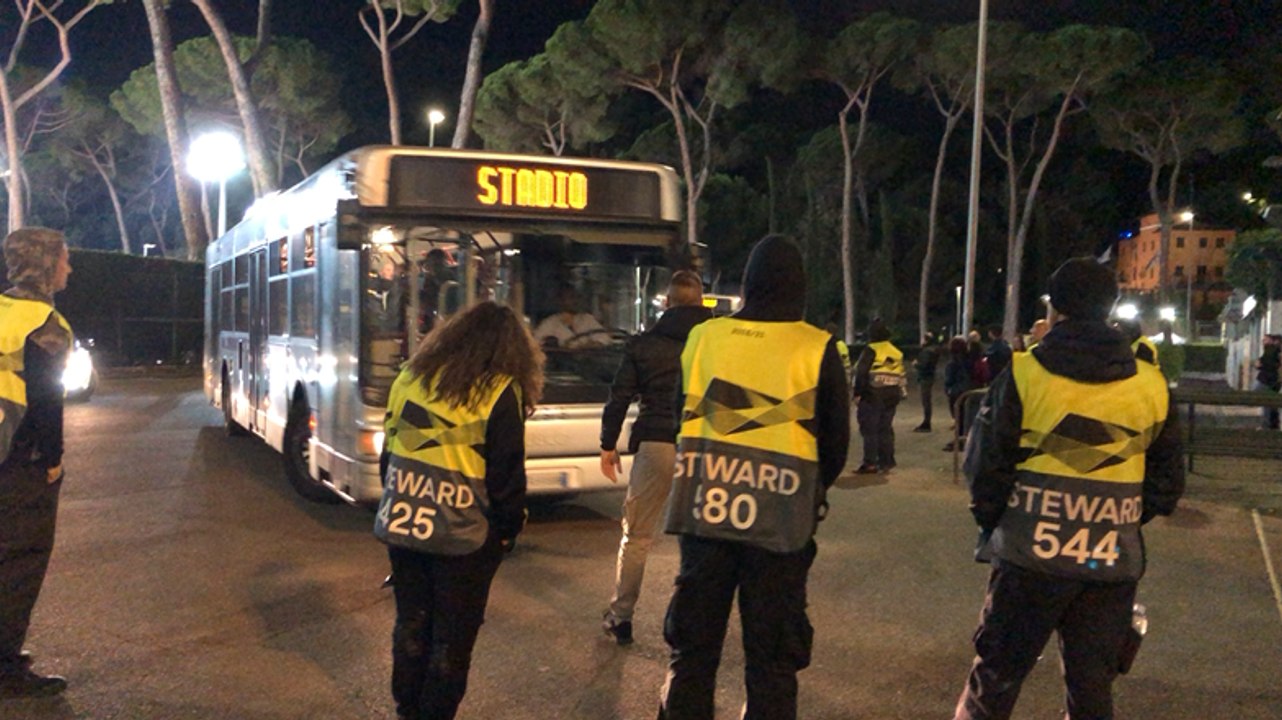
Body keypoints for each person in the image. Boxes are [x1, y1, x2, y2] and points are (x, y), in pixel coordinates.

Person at [953, 257, 1185, 720]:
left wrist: (998, 523)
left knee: (994, 682)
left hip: (1029, 559)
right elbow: (1167, 484)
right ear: (1111, 305)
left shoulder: (1023, 374)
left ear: (1055, 306)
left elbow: (985, 468)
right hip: (1109, 564)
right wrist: (1115, 518)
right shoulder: (1152, 385)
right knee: (1091, 689)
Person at [658, 234, 850, 720]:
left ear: (747, 284)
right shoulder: (818, 347)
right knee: (772, 665)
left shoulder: (704, 337)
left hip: (705, 516)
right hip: (780, 528)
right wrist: (805, 488)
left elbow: (683, 413)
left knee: (692, 655)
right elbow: (835, 445)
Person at [372, 301, 543, 720]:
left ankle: (406, 710)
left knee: (412, 626)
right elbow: (505, 477)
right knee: (451, 642)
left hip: (403, 527)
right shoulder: (501, 392)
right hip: (463, 539)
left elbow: (388, 459)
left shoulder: (409, 378)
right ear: (511, 351)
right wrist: (506, 533)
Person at [598, 270, 712, 646]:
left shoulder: (644, 344)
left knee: (637, 536)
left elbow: (620, 395)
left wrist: (608, 444)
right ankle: (693, 624)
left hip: (656, 444)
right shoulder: (717, 342)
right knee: (700, 538)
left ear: (666, 303)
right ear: (701, 301)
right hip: (704, 447)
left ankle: (621, 616)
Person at [0, 227, 74, 698]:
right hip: (20, 460)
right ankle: (5, 665)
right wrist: (53, 459)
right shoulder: (46, 322)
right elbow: (47, 399)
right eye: (65, 258)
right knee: (20, 560)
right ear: (46, 264)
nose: (69, 267)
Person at [853, 319, 906, 473]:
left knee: (870, 429)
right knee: (885, 428)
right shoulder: (896, 352)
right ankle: (887, 461)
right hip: (892, 394)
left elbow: (861, 373)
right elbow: (901, 374)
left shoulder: (871, 349)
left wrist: (857, 394)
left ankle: (870, 463)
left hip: (873, 393)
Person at [533, 284, 608, 349]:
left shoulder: (587, 319)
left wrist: (591, 345)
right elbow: (537, 343)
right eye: (571, 297)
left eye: (577, 297)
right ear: (560, 300)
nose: (575, 301)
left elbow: (604, 339)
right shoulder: (550, 323)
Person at [942, 336, 974, 453]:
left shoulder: (953, 362)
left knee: (958, 416)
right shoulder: (969, 360)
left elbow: (950, 378)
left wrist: (949, 389)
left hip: (956, 391)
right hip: (967, 390)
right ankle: (964, 439)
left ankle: (960, 440)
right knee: (964, 417)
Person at [913, 331, 941, 432]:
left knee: (926, 401)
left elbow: (923, 365)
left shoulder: (926, 351)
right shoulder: (934, 350)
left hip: (925, 378)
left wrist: (916, 364)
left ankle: (926, 423)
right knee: (927, 400)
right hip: (930, 377)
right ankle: (926, 421)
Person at [1255, 334, 1281, 429]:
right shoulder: (1271, 350)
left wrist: (1260, 365)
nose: (1263, 341)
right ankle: (1272, 424)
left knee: (1267, 402)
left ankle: (1267, 424)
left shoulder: (1272, 350)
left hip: (1268, 380)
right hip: (1272, 381)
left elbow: (1267, 364)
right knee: (1270, 404)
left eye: (1265, 340)